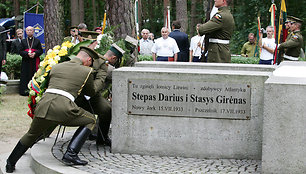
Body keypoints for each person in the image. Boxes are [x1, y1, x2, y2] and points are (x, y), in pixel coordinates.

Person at [5, 46, 99, 173]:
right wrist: (100, 79)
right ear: (88, 60)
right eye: (91, 61)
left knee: (31, 134)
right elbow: (91, 91)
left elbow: (50, 84)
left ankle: (10, 163)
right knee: (91, 120)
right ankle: (71, 154)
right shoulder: (86, 71)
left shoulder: (56, 66)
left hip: (44, 105)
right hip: (64, 107)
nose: (90, 64)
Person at [75, 43, 124, 147]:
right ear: (114, 58)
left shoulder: (94, 59)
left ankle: (94, 134)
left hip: (76, 96)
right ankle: (102, 138)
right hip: (86, 99)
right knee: (107, 110)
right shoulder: (109, 68)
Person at [19, 26, 43, 96]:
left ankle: (34, 90)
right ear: (26, 32)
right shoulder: (23, 41)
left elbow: (40, 50)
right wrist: (27, 54)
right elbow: (20, 51)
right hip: (26, 62)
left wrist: (34, 53)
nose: (29, 31)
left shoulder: (37, 41)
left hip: (34, 61)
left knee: (34, 75)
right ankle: (24, 91)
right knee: (25, 76)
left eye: (31, 30)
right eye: (28, 30)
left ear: (33, 32)